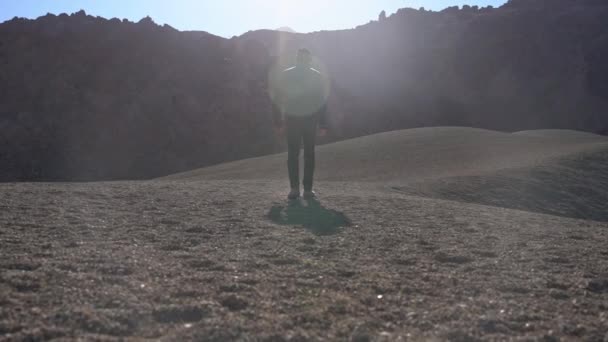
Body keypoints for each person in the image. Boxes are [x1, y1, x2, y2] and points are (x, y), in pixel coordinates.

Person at [272, 48, 329, 200]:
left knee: (293, 154)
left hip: (292, 120)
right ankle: (308, 190)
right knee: (309, 154)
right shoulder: (316, 76)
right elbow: (322, 102)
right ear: (309, 59)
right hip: (310, 120)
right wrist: (323, 124)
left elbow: (277, 99)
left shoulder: (286, 74)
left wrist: (278, 121)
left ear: (297, 59)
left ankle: (294, 189)